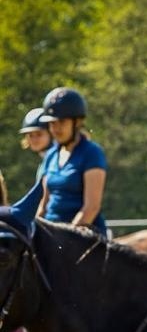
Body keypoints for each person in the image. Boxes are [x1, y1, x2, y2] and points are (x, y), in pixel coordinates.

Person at [37, 88, 108, 236]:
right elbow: (44, 205)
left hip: (83, 237)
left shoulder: (92, 153)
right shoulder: (51, 156)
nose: (55, 128)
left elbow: (91, 207)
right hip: (52, 235)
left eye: (61, 122)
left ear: (77, 122)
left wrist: (65, 238)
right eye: (52, 123)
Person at [17, 108, 51, 184]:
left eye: (39, 134)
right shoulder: (45, 162)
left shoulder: (56, 162)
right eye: (30, 135)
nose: (34, 139)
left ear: (51, 133)